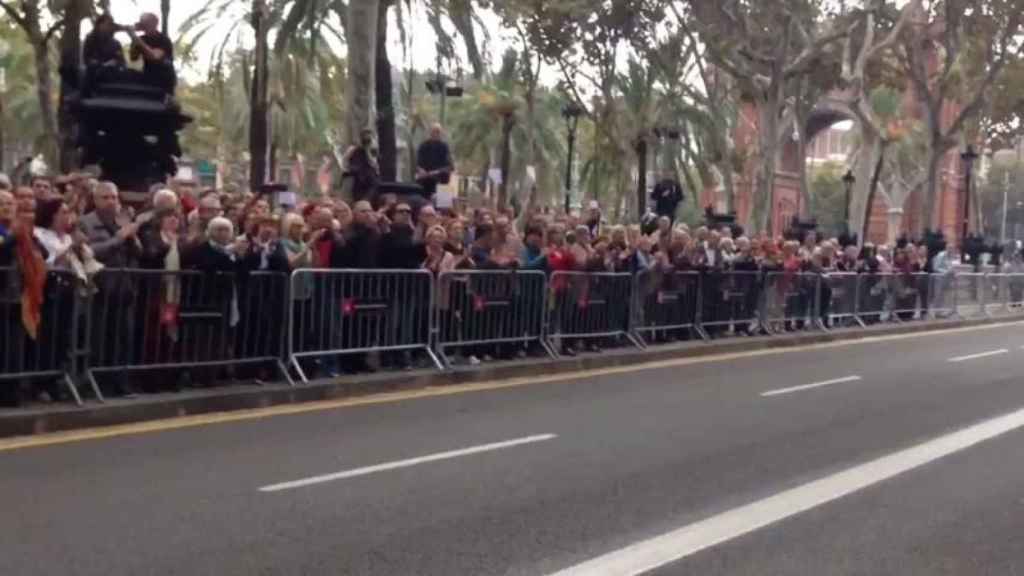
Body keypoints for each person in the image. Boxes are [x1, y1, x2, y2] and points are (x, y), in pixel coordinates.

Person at [124, 12, 176, 94]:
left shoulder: (163, 39)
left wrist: (134, 37)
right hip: (148, 78)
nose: (144, 25)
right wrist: (134, 41)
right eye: (143, 22)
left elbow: (154, 56)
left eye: (147, 22)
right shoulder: (141, 39)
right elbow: (133, 58)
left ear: (155, 23)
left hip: (164, 81)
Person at [416, 124, 454, 201]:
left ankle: (444, 205)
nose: (435, 134)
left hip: (441, 179)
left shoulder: (444, 147)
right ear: (430, 132)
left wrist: (436, 172)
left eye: (437, 132)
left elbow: (450, 166)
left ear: (440, 134)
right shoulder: (423, 145)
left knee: (444, 201)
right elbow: (417, 163)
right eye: (433, 131)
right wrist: (420, 169)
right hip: (425, 179)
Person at [343, 128, 380, 203]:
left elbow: (374, 164)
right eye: (365, 135)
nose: (367, 137)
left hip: (368, 175)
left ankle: (366, 201)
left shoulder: (372, 150)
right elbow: (345, 159)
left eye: (369, 135)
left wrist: (367, 150)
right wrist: (347, 168)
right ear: (361, 137)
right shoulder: (353, 148)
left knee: (374, 184)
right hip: (356, 174)